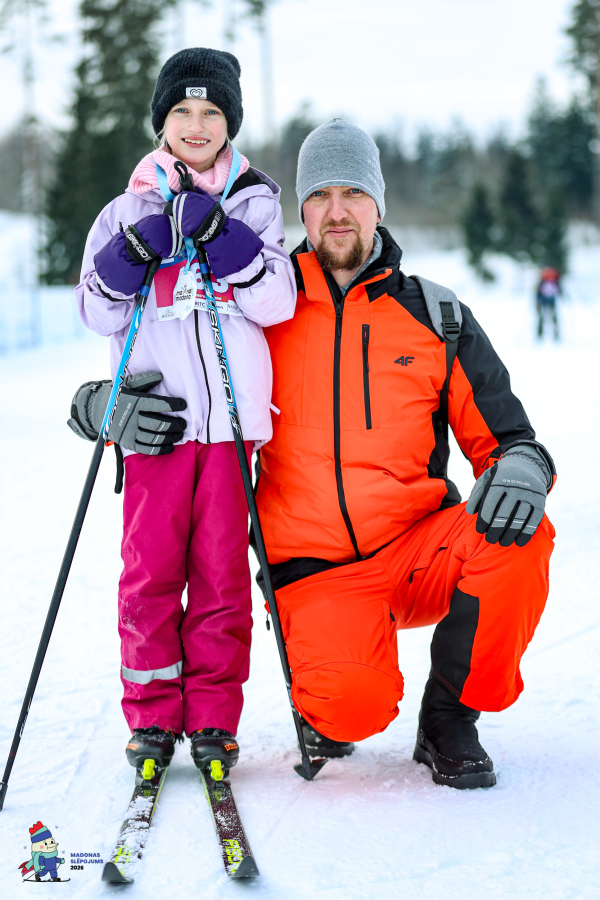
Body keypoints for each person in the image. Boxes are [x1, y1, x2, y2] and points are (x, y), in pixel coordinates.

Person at [255, 118, 556, 789]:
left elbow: (509, 438)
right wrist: (103, 402)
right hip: (314, 570)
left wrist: (521, 468)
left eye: (353, 193)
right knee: (350, 711)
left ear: (378, 204)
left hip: (420, 550)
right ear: (301, 208)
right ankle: (331, 683)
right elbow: (182, 377)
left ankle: (449, 719)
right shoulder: (260, 311)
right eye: (320, 195)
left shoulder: (436, 317)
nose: (337, 211)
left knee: (519, 531)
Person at [68, 48, 296, 776]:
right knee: (151, 576)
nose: (197, 125)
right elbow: (95, 312)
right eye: (182, 111)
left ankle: (212, 718)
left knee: (222, 578)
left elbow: (276, 301)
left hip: (229, 430)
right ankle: (153, 718)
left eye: (212, 112)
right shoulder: (123, 210)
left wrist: (223, 237)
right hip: (157, 429)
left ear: (230, 122)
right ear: (161, 121)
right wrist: (133, 250)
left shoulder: (255, 203)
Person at [536, 267, 561, 340]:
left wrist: (537, 302)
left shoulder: (547, 282)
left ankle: (552, 334)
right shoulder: (552, 282)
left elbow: (538, 293)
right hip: (548, 301)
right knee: (546, 318)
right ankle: (542, 334)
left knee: (549, 318)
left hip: (548, 301)